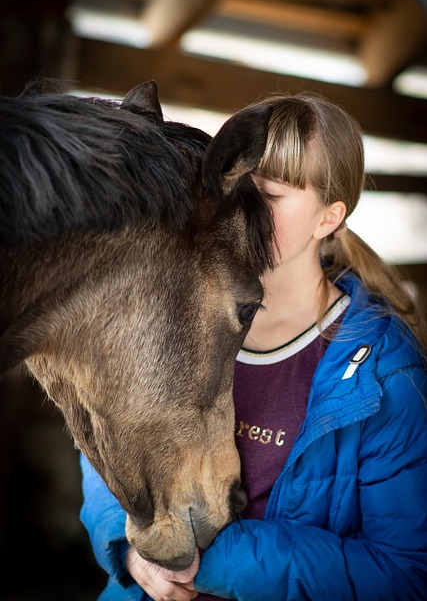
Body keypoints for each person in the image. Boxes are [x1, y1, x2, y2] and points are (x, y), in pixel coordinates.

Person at [80, 91, 427, 600]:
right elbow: (103, 439)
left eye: (271, 194)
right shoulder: (170, 312)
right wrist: (133, 551)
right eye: (237, 185)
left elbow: (405, 574)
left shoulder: (386, 377)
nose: (242, 207)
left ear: (328, 218)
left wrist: (213, 563)